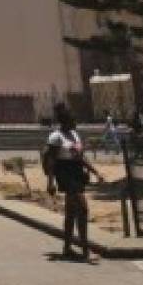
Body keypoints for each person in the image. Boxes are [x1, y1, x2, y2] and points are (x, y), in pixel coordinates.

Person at [43, 103, 103, 262]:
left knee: (71, 213)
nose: (75, 122)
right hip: (65, 173)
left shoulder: (75, 135)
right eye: (73, 119)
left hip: (76, 173)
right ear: (65, 121)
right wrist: (50, 182)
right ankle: (85, 251)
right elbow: (51, 161)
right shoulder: (56, 137)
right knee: (83, 209)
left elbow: (80, 157)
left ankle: (67, 248)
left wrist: (95, 171)